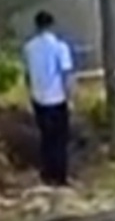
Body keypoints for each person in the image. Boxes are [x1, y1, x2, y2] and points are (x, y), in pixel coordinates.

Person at [21, 12, 75, 187]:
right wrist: (70, 98)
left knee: (45, 137)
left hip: (38, 98)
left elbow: (27, 74)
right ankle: (60, 176)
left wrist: (30, 93)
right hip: (57, 98)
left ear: (36, 26)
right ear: (52, 25)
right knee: (60, 139)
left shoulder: (28, 48)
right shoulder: (60, 47)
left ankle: (47, 174)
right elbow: (66, 74)